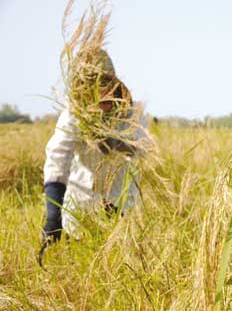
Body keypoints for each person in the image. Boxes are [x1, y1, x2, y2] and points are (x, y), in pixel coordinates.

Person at [41, 50, 150, 250]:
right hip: (82, 203)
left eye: (105, 84)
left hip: (123, 203)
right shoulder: (74, 114)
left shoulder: (133, 112)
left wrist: (114, 144)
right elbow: (57, 159)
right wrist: (52, 216)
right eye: (94, 87)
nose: (102, 93)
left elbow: (144, 149)